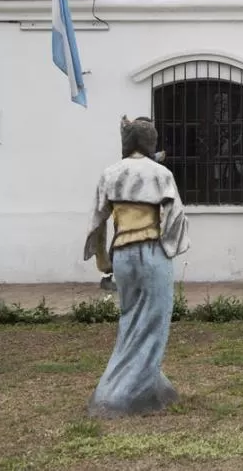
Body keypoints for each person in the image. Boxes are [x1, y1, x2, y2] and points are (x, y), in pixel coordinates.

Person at [83, 116, 191, 418]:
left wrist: (102, 258)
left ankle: (153, 383)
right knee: (155, 320)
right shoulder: (161, 174)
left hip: (122, 254)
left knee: (131, 319)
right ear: (150, 143)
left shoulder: (110, 173)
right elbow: (175, 218)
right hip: (151, 249)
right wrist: (170, 247)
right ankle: (119, 394)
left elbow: (98, 219)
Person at [97, 149, 168, 293]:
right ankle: (107, 277)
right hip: (126, 215)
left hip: (136, 214)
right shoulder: (129, 167)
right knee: (121, 245)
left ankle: (135, 279)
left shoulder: (136, 167)